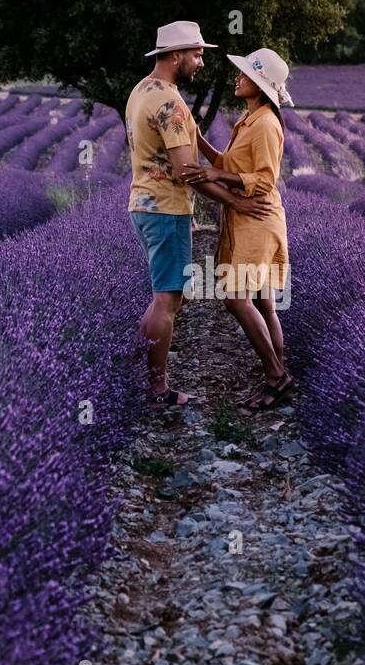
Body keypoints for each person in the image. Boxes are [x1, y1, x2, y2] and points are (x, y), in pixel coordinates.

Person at [126, 21, 273, 408]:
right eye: (197, 54)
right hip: (167, 210)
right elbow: (185, 172)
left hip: (143, 205)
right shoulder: (171, 104)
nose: (201, 62)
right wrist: (235, 202)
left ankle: (132, 369)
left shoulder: (142, 91)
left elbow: (187, 150)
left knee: (169, 295)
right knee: (169, 300)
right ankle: (158, 390)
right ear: (176, 56)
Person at [180, 47, 294, 411]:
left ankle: (277, 377)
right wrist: (199, 141)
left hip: (257, 219)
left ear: (260, 85)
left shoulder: (265, 125)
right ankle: (276, 377)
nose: (237, 78)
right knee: (263, 302)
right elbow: (229, 163)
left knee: (235, 298)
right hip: (250, 219)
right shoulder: (249, 120)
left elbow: (263, 180)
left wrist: (216, 175)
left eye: (245, 75)